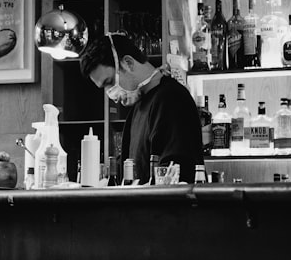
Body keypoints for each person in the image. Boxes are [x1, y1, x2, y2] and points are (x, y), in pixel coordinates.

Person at [80, 33, 203, 184]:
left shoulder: (172, 99)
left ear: (128, 63)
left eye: (110, 82)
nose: (110, 93)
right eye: (104, 87)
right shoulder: (137, 109)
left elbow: (175, 176)